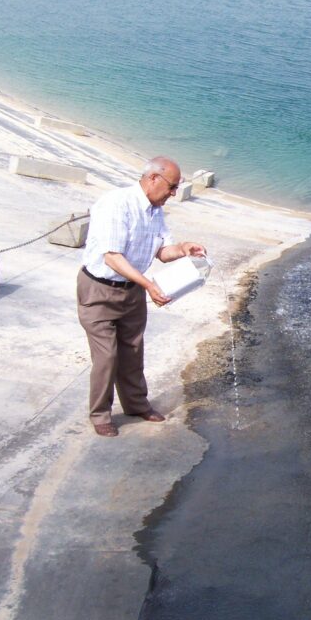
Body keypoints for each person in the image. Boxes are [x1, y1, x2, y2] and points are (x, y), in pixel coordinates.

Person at [77, 156, 206, 437]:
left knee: (133, 351)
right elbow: (112, 257)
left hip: (131, 291)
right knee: (107, 356)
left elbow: (162, 251)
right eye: (171, 187)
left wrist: (184, 248)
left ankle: (136, 405)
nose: (173, 194)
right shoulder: (116, 204)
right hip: (99, 289)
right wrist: (148, 284)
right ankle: (100, 414)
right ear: (153, 179)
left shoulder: (155, 211)